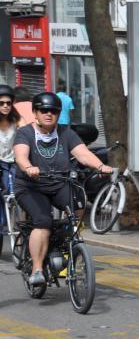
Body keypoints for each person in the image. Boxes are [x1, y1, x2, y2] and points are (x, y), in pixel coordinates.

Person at [13, 93, 112, 286]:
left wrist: (100, 166)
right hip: (31, 187)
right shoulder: (25, 133)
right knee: (43, 221)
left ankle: (66, 237)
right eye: (44, 110)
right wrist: (28, 167)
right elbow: (21, 155)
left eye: (54, 111)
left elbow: (83, 154)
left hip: (59, 183)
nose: (49, 114)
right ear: (35, 112)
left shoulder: (66, 133)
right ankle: (37, 269)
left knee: (79, 202)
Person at [0, 85, 20, 234]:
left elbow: (28, 130)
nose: (5, 106)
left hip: (14, 161)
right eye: (1, 103)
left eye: (8, 103)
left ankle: (22, 224)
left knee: (19, 191)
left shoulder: (16, 118)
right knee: (4, 189)